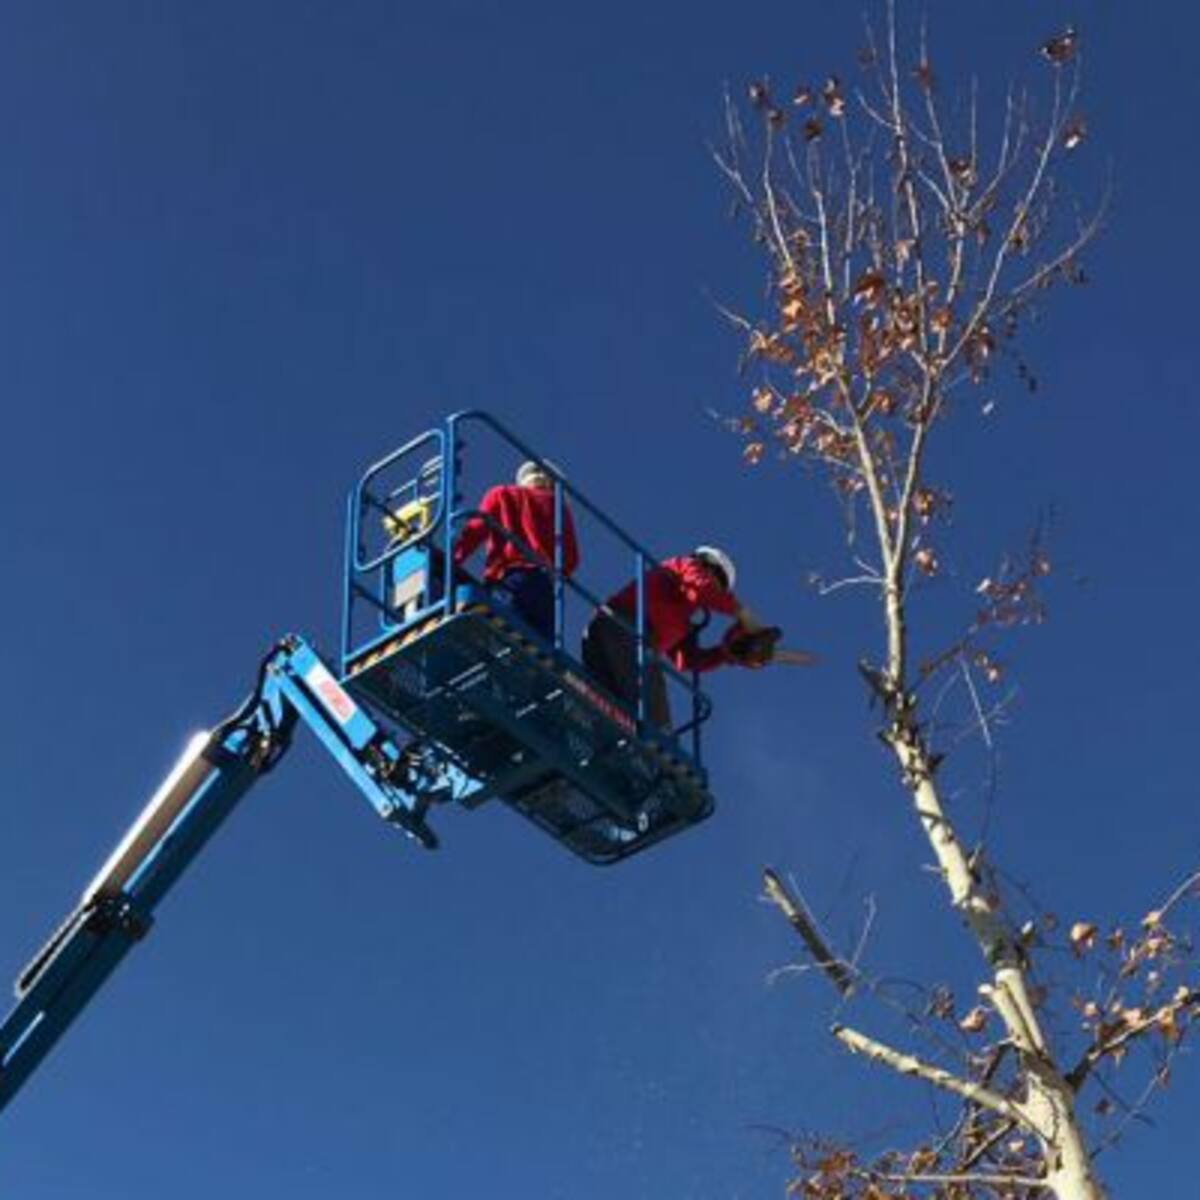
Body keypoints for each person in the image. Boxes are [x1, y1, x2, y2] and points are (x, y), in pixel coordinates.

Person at [581, 545, 772, 729]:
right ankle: (660, 748)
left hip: (619, 635)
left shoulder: (682, 617)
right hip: (621, 624)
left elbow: (686, 660)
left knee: (606, 703)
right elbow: (700, 589)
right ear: (708, 566)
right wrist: (743, 613)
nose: (716, 592)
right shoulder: (685, 565)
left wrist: (726, 653)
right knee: (652, 701)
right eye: (717, 584)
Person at [453, 460, 580, 639]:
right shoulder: (560, 509)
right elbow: (572, 558)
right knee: (541, 648)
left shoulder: (502, 494)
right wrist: (557, 574)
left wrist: (453, 561)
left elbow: (475, 530)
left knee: (500, 634)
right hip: (545, 588)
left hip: (510, 578)